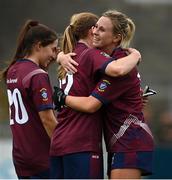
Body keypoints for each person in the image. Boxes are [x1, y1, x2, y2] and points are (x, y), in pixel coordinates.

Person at [53, 10, 154, 179]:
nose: (95, 32)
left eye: (101, 29)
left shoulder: (119, 67)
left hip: (129, 140)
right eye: (95, 27)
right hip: (120, 141)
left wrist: (63, 98)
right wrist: (60, 56)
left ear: (116, 38)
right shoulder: (109, 61)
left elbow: (91, 104)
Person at [0, 19, 59, 179]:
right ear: (38, 46)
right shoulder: (38, 75)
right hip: (41, 157)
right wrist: (64, 149)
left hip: (21, 157)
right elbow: (47, 120)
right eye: (53, 49)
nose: (54, 56)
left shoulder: (13, 70)